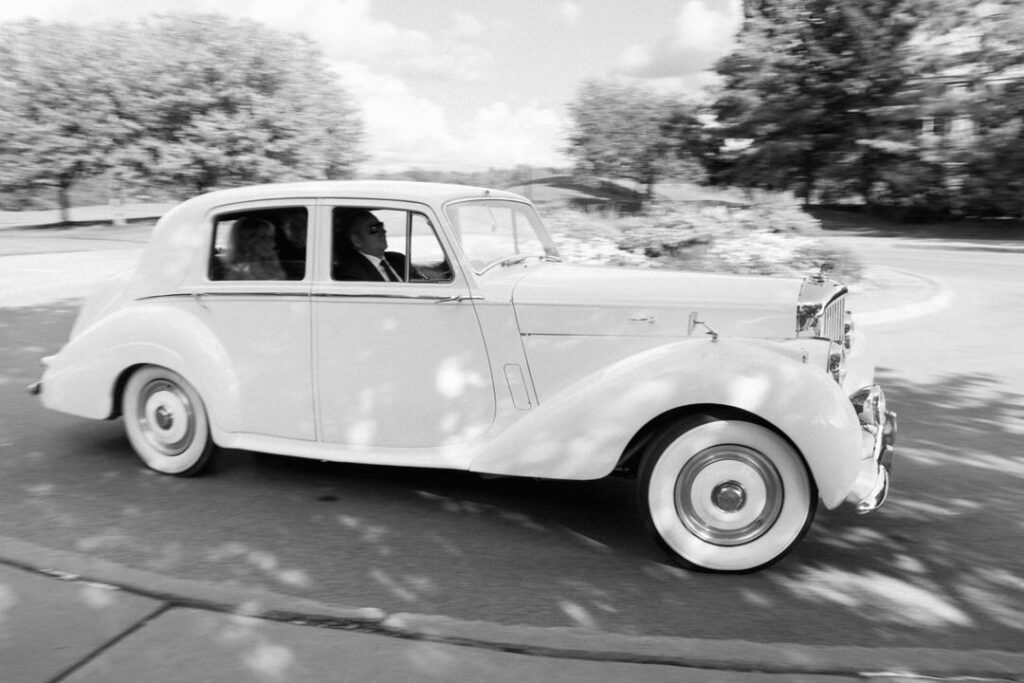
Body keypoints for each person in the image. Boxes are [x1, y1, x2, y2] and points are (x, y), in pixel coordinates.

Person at [333, 209, 418, 282]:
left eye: (381, 226)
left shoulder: (399, 259)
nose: (384, 231)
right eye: (374, 228)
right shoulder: (350, 273)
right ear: (357, 240)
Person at [224, 216, 286, 280]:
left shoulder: (271, 264)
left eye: (271, 237)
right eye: (263, 238)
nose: (272, 243)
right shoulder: (236, 271)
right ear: (246, 241)